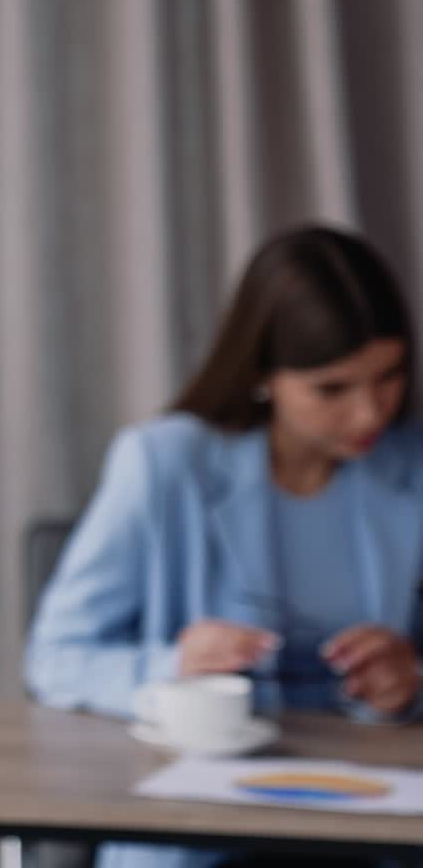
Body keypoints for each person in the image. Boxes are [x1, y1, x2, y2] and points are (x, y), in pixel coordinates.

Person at [24, 224, 423, 868]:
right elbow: (56, 658)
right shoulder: (163, 465)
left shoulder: (412, 469)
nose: (370, 414)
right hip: (201, 832)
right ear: (264, 373)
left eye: (390, 376)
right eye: (333, 388)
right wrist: (175, 668)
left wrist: (408, 683)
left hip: (376, 828)